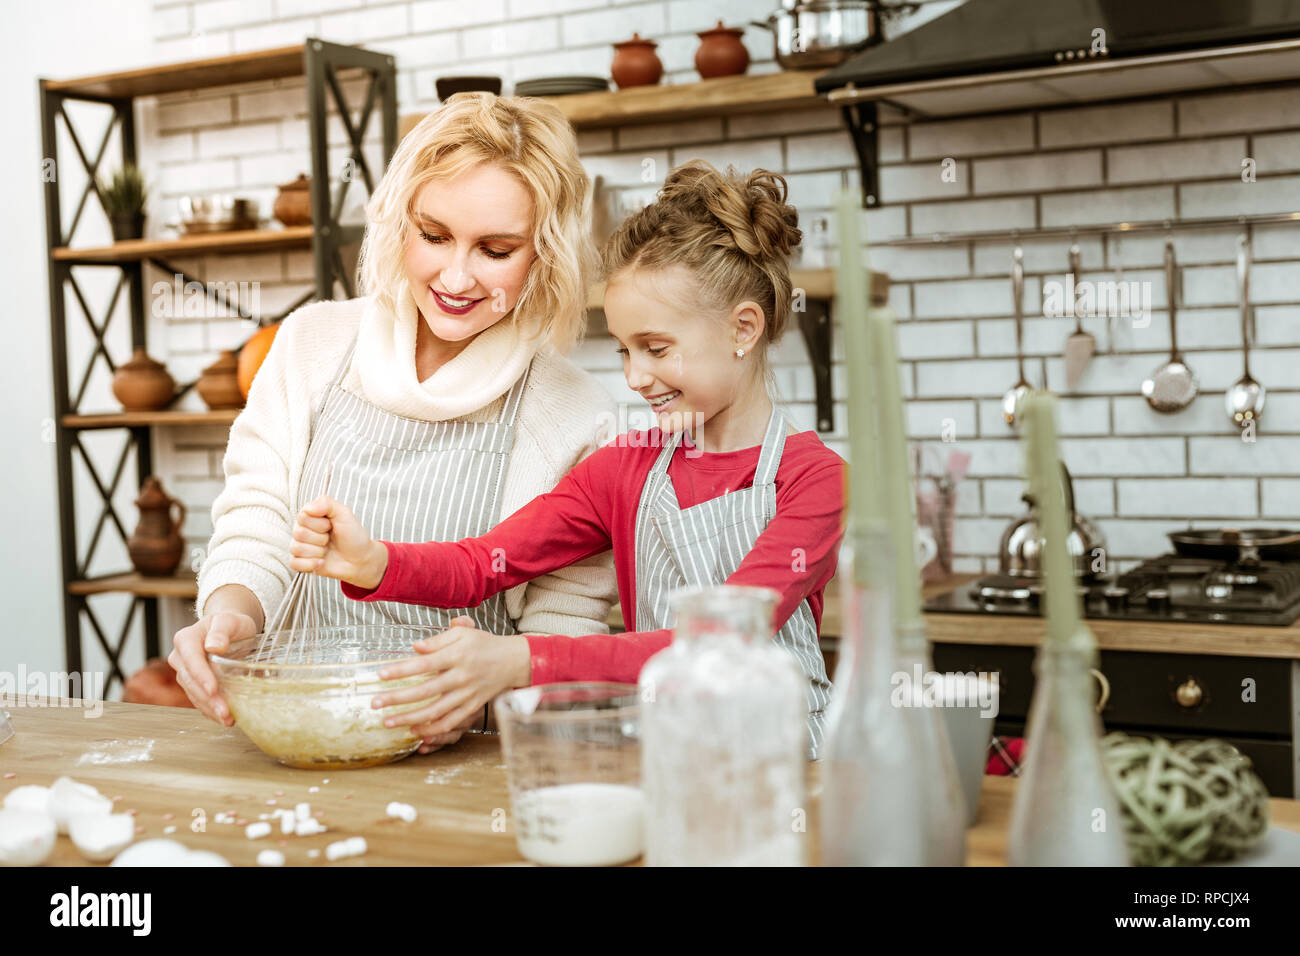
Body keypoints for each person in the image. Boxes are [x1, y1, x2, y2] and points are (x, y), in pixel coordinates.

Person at [292, 161, 846, 758]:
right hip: (669, 757)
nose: (635, 377)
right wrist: (375, 562)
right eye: (625, 350)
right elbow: (487, 562)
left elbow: (724, 643)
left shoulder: (815, 481)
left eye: (657, 349)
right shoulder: (625, 468)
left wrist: (523, 659)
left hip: (794, 768)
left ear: (743, 328)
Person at [168, 93, 619, 753]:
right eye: (433, 236)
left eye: (495, 249)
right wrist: (231, 613)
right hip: (296, 729)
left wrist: (480, 699)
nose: (456, 276)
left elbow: (566, 629)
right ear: (399, 221)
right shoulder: (313, 342)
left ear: (544, 254)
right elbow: (257, 512)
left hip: (473, 766)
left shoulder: (576, 412)